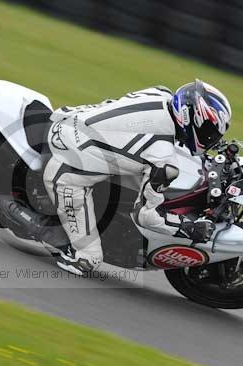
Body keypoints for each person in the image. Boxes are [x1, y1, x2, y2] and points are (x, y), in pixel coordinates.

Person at [42, 79, 232, 276]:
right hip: (64, 169)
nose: (211, 139)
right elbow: (145, 216)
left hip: (65, 119)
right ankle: (55, 235)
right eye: (209, 132)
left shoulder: (160, 93)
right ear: (191, 118)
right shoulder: (163, 158)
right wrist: (189, 228)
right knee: (89, 260)